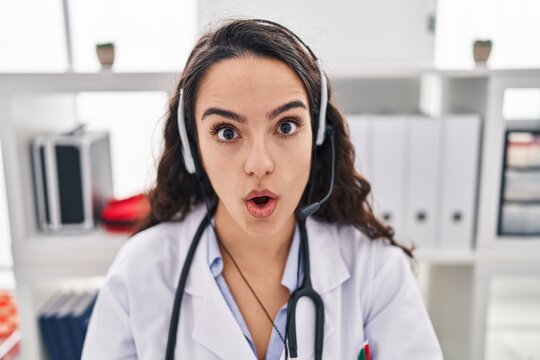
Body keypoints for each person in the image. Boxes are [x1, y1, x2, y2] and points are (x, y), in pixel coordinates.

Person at [81, 18, 443, 360]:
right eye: (226, 132)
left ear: (317, 136)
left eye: (286, 126)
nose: (259, 164)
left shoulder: (375, 269)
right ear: (194, 148)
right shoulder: (139, 272)